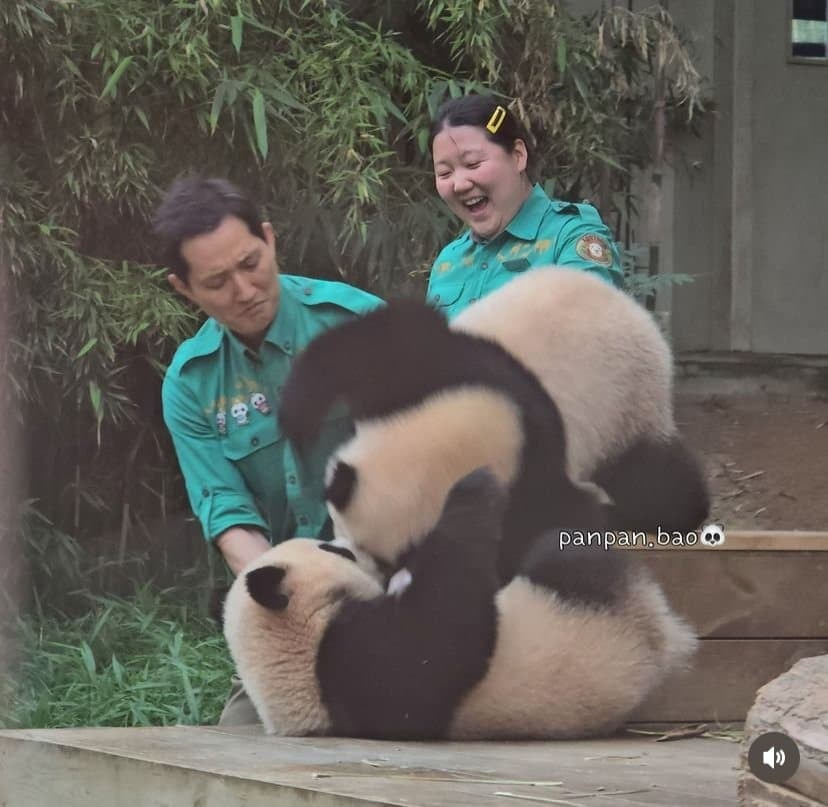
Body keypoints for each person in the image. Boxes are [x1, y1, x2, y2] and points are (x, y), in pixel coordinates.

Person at [154, 177, 383, 724]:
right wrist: (298, 605)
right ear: (184, 288)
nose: (244, 290)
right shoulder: (190, 383)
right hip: (292, 606)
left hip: (392, 578)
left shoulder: (358, 325)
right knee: (240, 739)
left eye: (251, 263)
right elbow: (229, 518)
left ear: (270, 238)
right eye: (217, 282)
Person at [426, 94, 625, 317]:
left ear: (518, 156)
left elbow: (587, 328)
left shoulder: (570, 237)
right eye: (444, 173)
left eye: (473, 164)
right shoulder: (448, 260)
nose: (459, 185)